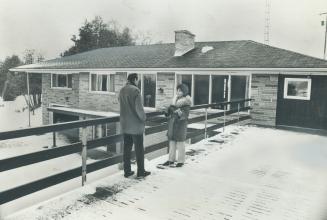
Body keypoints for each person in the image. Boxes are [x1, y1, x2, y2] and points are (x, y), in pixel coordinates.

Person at [119, 73, 151, 178]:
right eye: (137, 80)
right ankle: (141, 172)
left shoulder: (122, 90)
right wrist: (144, 118)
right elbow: (139, 109)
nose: (138, 82)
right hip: (136, 126)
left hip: (125, 125)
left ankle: (127, 171)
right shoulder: (136, 91)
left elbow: (119, 102)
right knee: (139, 150)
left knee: (126, 149)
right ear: (135, 79)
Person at [161, 84, 192, 167]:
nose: (178, 92)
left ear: (184, 92)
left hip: (180, 125)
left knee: (180, 143)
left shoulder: (186, 103)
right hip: (172, 124)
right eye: (177, 90)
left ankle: (180, 161)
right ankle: (171, 160)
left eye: (180, 91)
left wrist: (179, 112)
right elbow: (170, 114)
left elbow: (185, 115)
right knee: (172, 142)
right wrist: (166, 111)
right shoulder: (174, 101)